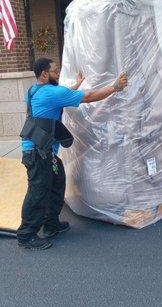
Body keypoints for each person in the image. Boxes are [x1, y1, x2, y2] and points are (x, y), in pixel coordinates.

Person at [17, 58, 128, 250]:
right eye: (55, 71)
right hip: (38, 152)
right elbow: (89, 96)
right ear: (44, 74)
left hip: (42, 150)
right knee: (38, 192)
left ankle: (51, 225)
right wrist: (114, 87)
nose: (58, 73)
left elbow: (64, 94)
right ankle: (26, 235)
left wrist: (77, 83)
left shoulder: (33, 90)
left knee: (57, 183)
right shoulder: (52, 92)